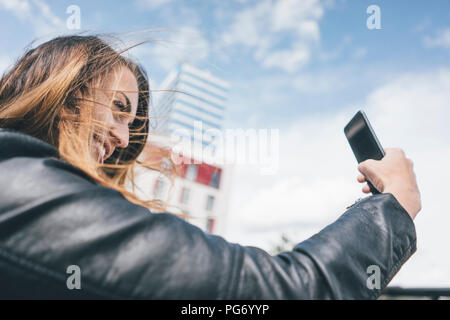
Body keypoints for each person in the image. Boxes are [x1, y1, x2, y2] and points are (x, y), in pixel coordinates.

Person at [0, 35, 421, 299]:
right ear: (63, 90)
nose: (124, 138)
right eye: (117, 108)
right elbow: (277, 291)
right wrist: (392, 208)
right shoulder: (22, 187)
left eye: (131, 124)